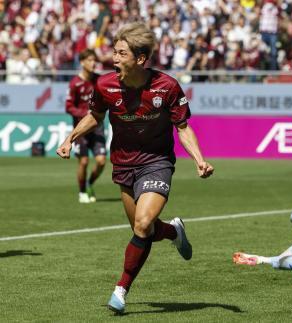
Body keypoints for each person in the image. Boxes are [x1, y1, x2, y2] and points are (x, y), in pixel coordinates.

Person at [57, 22, 214, 314]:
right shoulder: (104, 85)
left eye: (121, 53)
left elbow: (182, 127)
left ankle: (121, 289)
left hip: (157, 163)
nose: (113, 58)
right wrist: (70, 139)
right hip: (124, 164)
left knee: (142, 225)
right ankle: (173, 231)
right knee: (148, 231)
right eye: (114, 52)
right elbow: (95, 116)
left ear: (140, 59)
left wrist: (199, 159)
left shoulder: (166, 86)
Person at [65, 49, 106, 203]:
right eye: (89, 60)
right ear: (82, 62)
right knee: (83, 161)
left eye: (94, 60)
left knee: (101, 161)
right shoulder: (75, 83)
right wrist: (84, 113)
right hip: (81, 129)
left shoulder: (100, 81)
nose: (93, 63)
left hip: (98, 127)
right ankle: (82, 191)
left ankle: (90, 183)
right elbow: (68, 106)